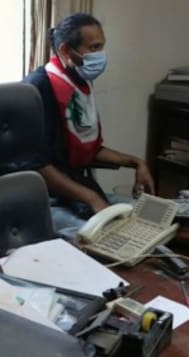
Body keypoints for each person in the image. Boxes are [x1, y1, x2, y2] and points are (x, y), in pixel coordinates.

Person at [23, 13, 155, 222]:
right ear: (66, 50)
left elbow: (85, 149)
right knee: (101, 234)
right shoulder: (39, 88)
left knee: (146, 219)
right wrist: (92, 198)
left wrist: (137, 162)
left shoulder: (77, 83)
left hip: (73, 189)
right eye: (94, 48)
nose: (100, 55)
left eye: (101, 47)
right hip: (44, 196)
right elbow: (36, 165)